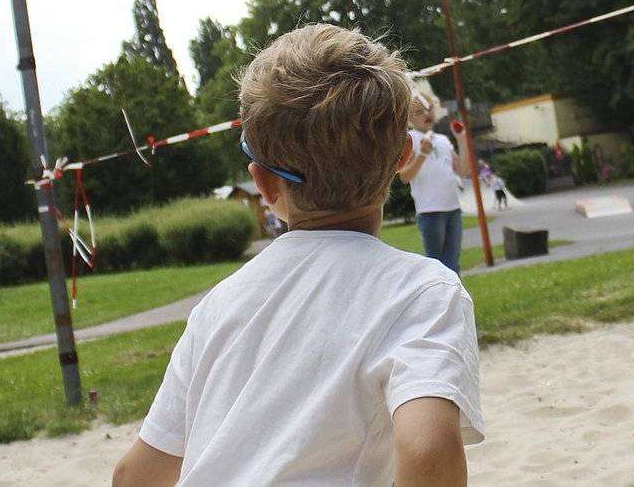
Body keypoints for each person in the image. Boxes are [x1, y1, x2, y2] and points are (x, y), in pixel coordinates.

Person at [113, 24, 483, 486]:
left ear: (265, 185)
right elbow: (429, 451)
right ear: (401, 155)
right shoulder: (422, 291)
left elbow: (135, 475)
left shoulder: (220, 306)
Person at [397, 88, 471, 273]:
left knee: (453, 264)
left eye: (429, 108)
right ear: (409, 118)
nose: (427, 114)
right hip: (430, 212)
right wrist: (422, 154)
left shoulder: (443, 140)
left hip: (452, 209)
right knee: (437, 267)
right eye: (419, 112)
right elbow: (404, 176)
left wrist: (461, 140)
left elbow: (463, 170)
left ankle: (457, 302)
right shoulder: (410, 140)